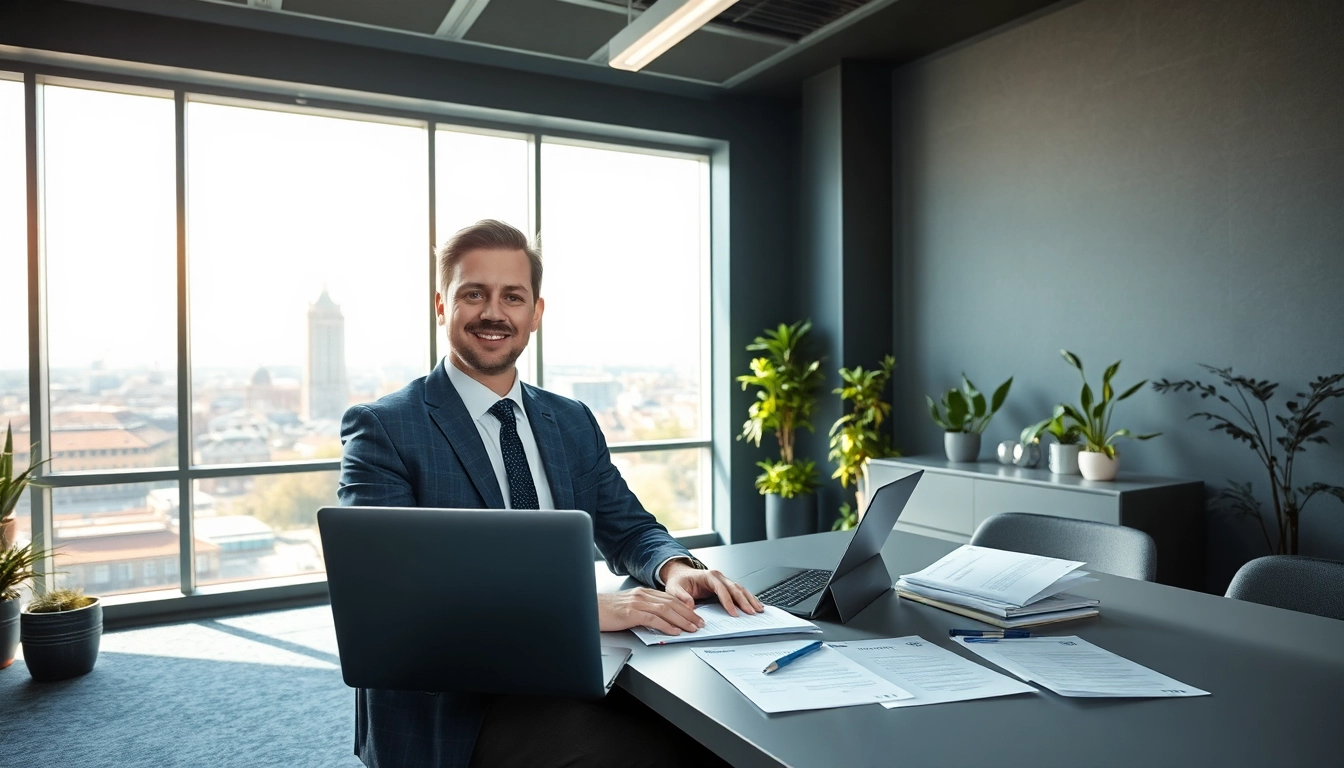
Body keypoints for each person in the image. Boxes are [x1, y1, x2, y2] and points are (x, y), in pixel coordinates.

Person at [338, 219, 761, 768]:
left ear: (535, 312)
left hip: (580, 671)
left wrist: (675, 568)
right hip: (459, 705)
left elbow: (629, 526)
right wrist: (581, 611)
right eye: (474, 294)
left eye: (512, 296)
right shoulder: (385, 427)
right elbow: (390, 601)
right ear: (442, 306)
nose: (494, 312)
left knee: (720, 736)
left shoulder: (569, 420)